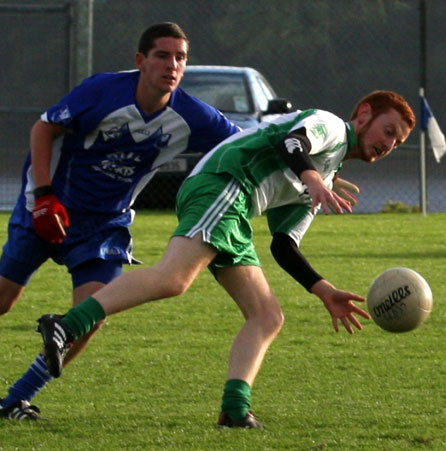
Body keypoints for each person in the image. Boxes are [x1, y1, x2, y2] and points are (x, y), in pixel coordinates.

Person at [33, 90, 416, 428]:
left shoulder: (326, 174)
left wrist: (323, 290)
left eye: (397, 142)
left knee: (267, 316)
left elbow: (284, 244)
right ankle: (66, 326)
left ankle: (235, 410)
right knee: (174, 278)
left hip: (235, 209)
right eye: (388, 130)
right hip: (225, 183)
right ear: (364, 114)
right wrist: (314, 179)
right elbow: (292, 143)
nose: (389, 144)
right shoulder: (330, 127)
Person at [0, 22, 241, 420]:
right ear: (140, 60)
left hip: (104, 225)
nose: (172, 65)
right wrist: (43, 196)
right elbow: (44, 127)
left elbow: (243, 144)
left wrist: (314, 167)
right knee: (4, 300)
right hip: (48, 208)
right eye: (163, 55)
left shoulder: (193, 115)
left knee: (92, 314)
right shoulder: (102, 90)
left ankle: (15, 400)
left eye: (180, 57)